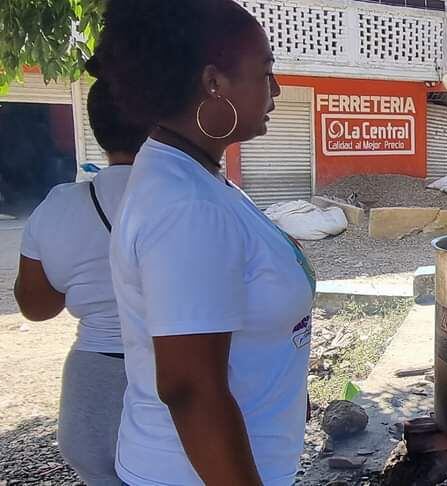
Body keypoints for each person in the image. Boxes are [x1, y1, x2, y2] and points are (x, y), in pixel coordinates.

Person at [86, 0, 315, 484]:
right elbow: (190, 387)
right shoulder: (187, 205)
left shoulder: (196, 176)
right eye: (266, 71)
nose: (276, 89)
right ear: (214, 83)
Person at [13, 81, 150, 485]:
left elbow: (36, 308)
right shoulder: (198, 199)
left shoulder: (60, 205)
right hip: (186, 372)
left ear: (97, 128)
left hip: (94, 389)